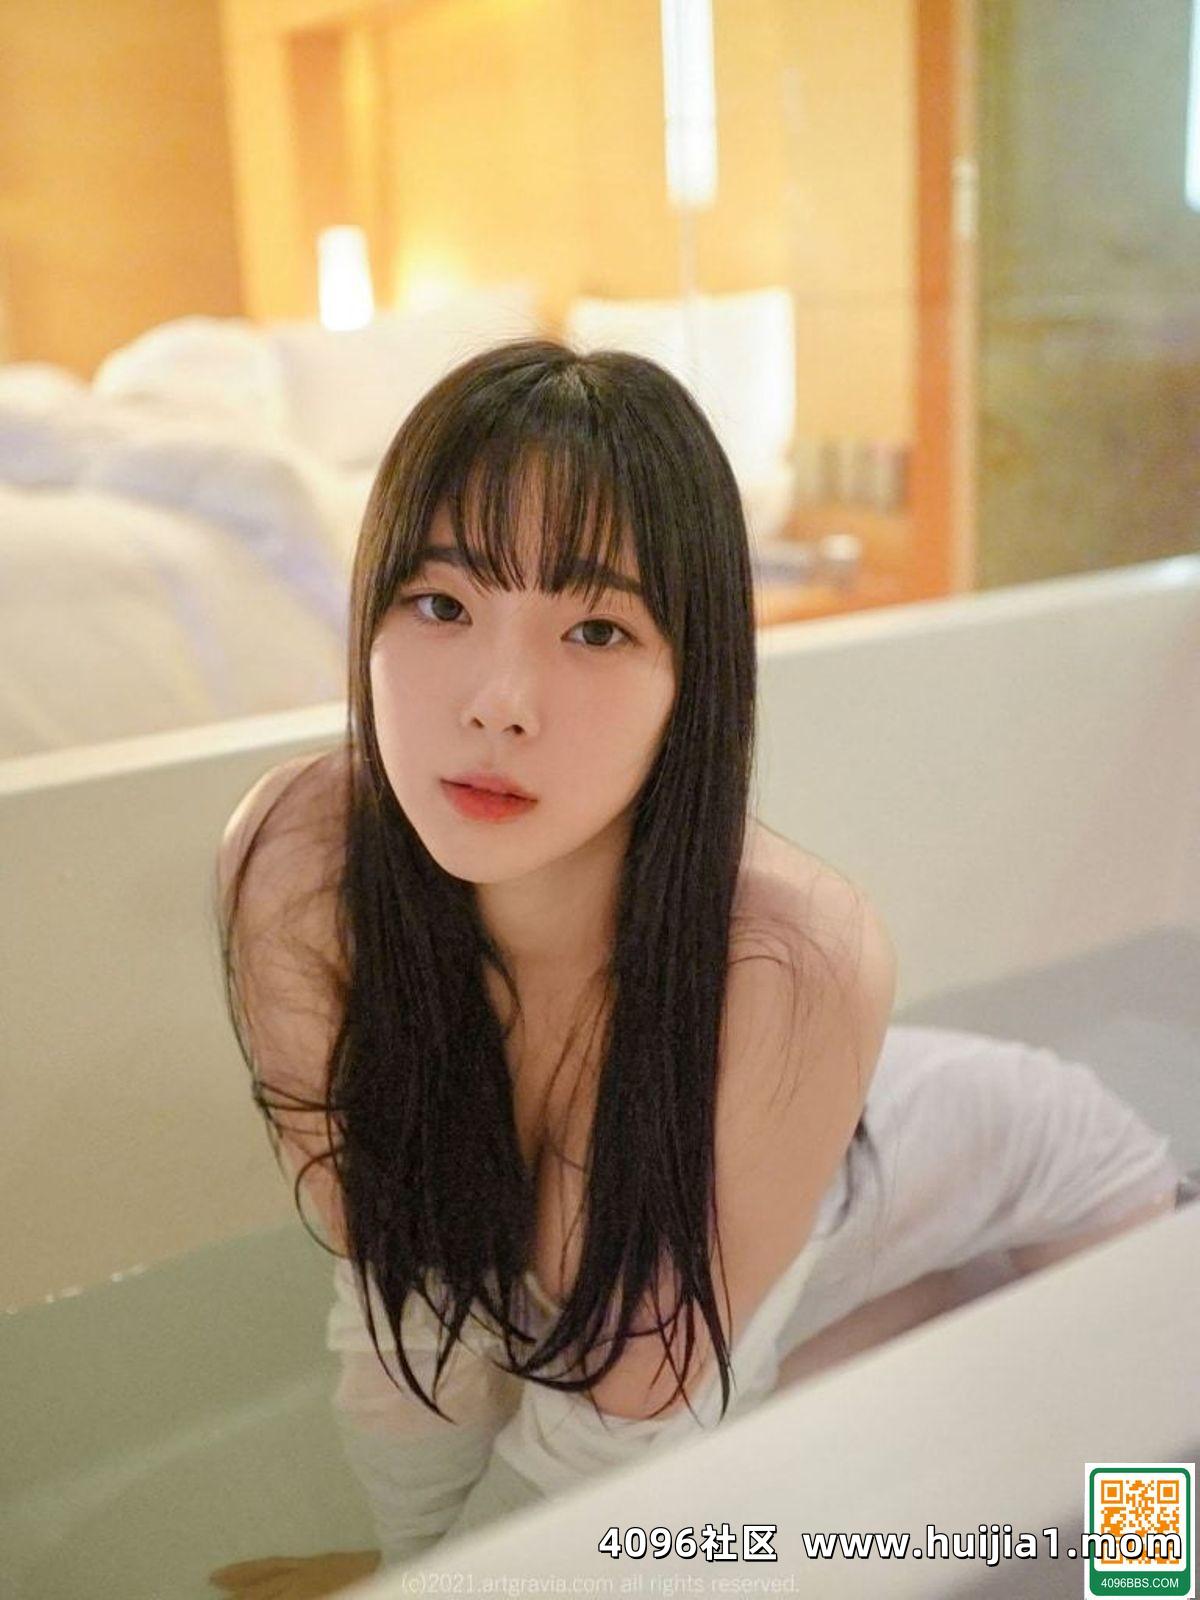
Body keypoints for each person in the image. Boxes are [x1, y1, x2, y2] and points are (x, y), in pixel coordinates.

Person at [212, 339, 1183, 1598]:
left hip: (1082, 1211)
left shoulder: (789, 960)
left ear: (694, 679)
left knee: (1140, 1566)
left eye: (597, 627)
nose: (500, 702)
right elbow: (404, 1309)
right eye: (443, 604)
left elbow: (606, 1437)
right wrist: (409, 1571)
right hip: (808, 1262)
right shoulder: (296, 864)